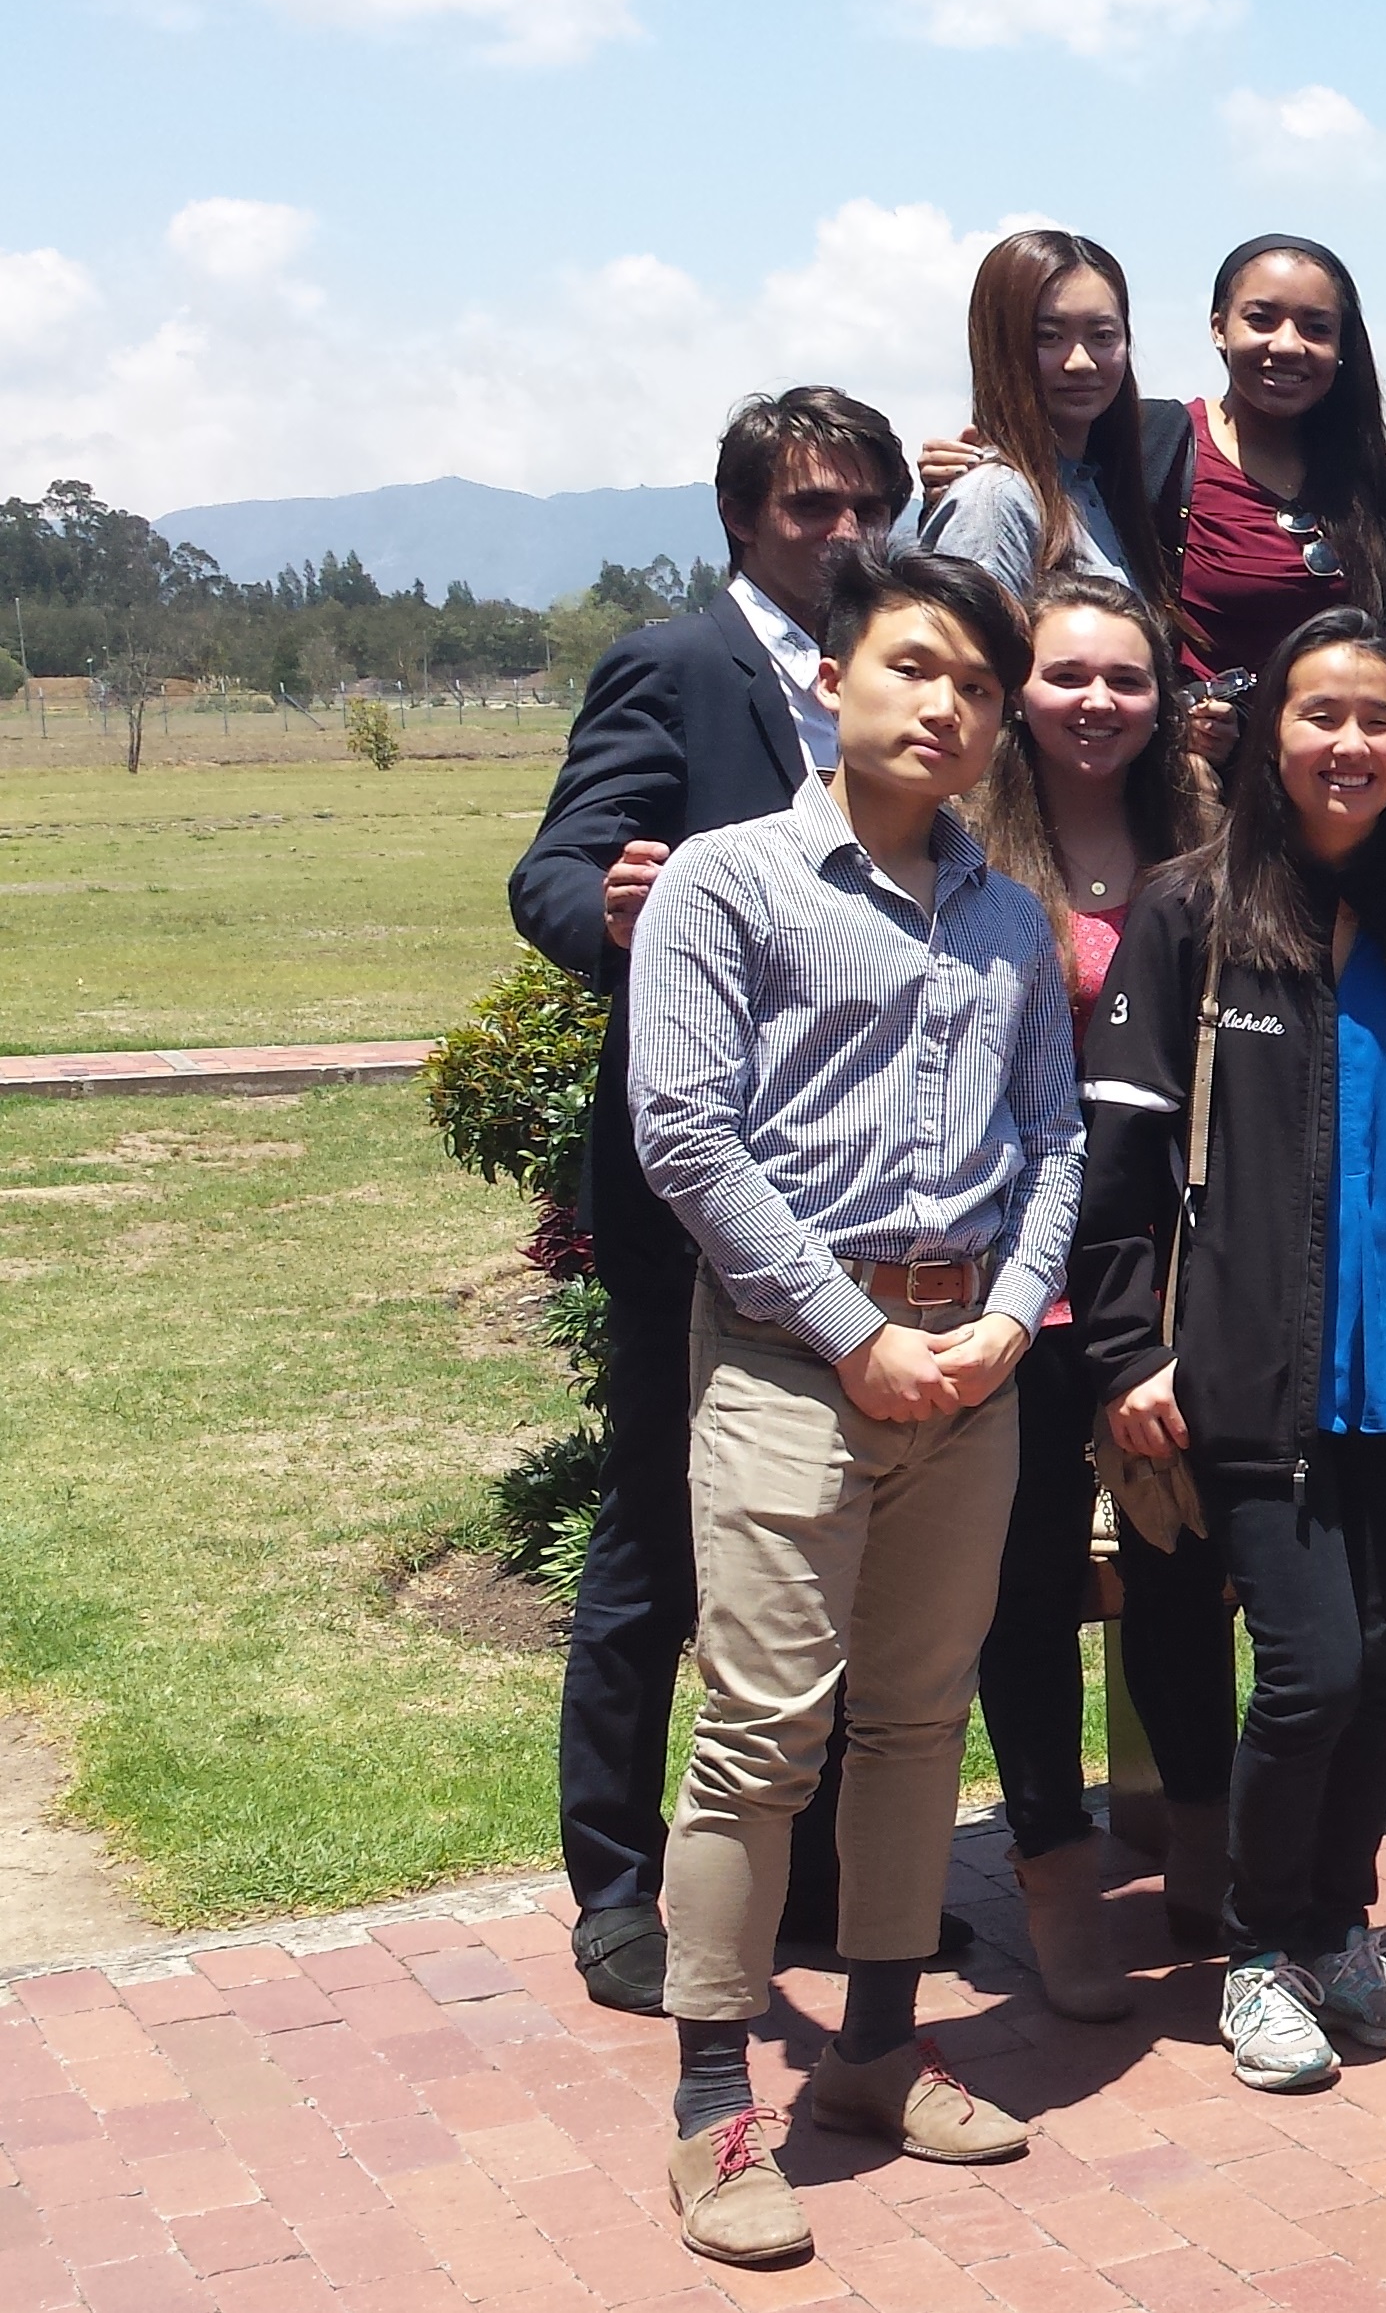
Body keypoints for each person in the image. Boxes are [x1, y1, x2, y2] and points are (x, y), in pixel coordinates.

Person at [627, 543, 1076, 2264]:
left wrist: (1016, 1317)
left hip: (969, 1368)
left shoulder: (1007, 911)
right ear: (832, 680)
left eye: (975, 683)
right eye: (911, 668)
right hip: (791, 1370)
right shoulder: (730, 887)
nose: (944, 705)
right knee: (760, 1734)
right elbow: (686, 1135)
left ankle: (877, 2053)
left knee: (913, 1718)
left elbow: (1053, 1135)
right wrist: (848, 1329)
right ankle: (712, 2103)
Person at [509, 386, 922, 2020]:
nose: (840, 534)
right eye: (809, 506)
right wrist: (606, 904)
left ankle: (813, 1881)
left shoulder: (901, 679)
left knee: (838, 1545)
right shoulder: (678, 666)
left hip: (869, 1191)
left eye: (864, 506)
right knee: (661, 1544)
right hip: (697, 1194)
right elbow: (550, 870)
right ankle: (619, 1886)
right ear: (744, 517)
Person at [1071, 612, 1386, 2089]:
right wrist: (1128, 1349)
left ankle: (1339, 1930)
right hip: (1248, 1373)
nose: (1350, 743)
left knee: (1385, 1666)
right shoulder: (1189, 914)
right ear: (1269, 734)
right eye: (1321, 714)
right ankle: (1261, 1947)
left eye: (1379, 718)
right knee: (1314, 1669)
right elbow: (1119, 1164)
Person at [956, 573, 1237, 2019]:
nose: (1095, 703)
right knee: (1021, 1589)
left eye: (1124, 679)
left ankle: (1202, 1832)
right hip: (1010, 1288)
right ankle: (1055, 1863)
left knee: (1186, 1568)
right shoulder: (969, 854)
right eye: (1066, 675)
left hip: (1166, 1284)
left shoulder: (1209, 849)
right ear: (1019, 690)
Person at [1170, 235, 1386, 705]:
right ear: (1218, 327)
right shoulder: (1162, 449)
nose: (1288, 345)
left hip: (1334, 762)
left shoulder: (1372, 480)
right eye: (1261, 319)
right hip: (1199, 765)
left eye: (1316, 327)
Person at [915, 231, 1165, 609]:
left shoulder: (1097, 489)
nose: (1080, 361)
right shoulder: (997, 501)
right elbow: (973, 661)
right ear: (1000, 345)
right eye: (1049, 336)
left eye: (1102, 335)